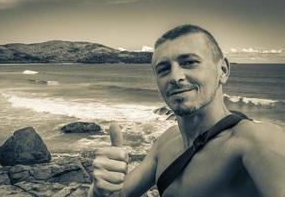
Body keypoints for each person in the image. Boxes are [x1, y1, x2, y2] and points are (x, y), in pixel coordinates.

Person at [88, 24, 285, 197]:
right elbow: (119, 195)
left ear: (223, 70)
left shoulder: (257, 141)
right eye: (164, 69)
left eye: (189, 62)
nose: (175, 76)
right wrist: (99, 189)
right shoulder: (167, 141)